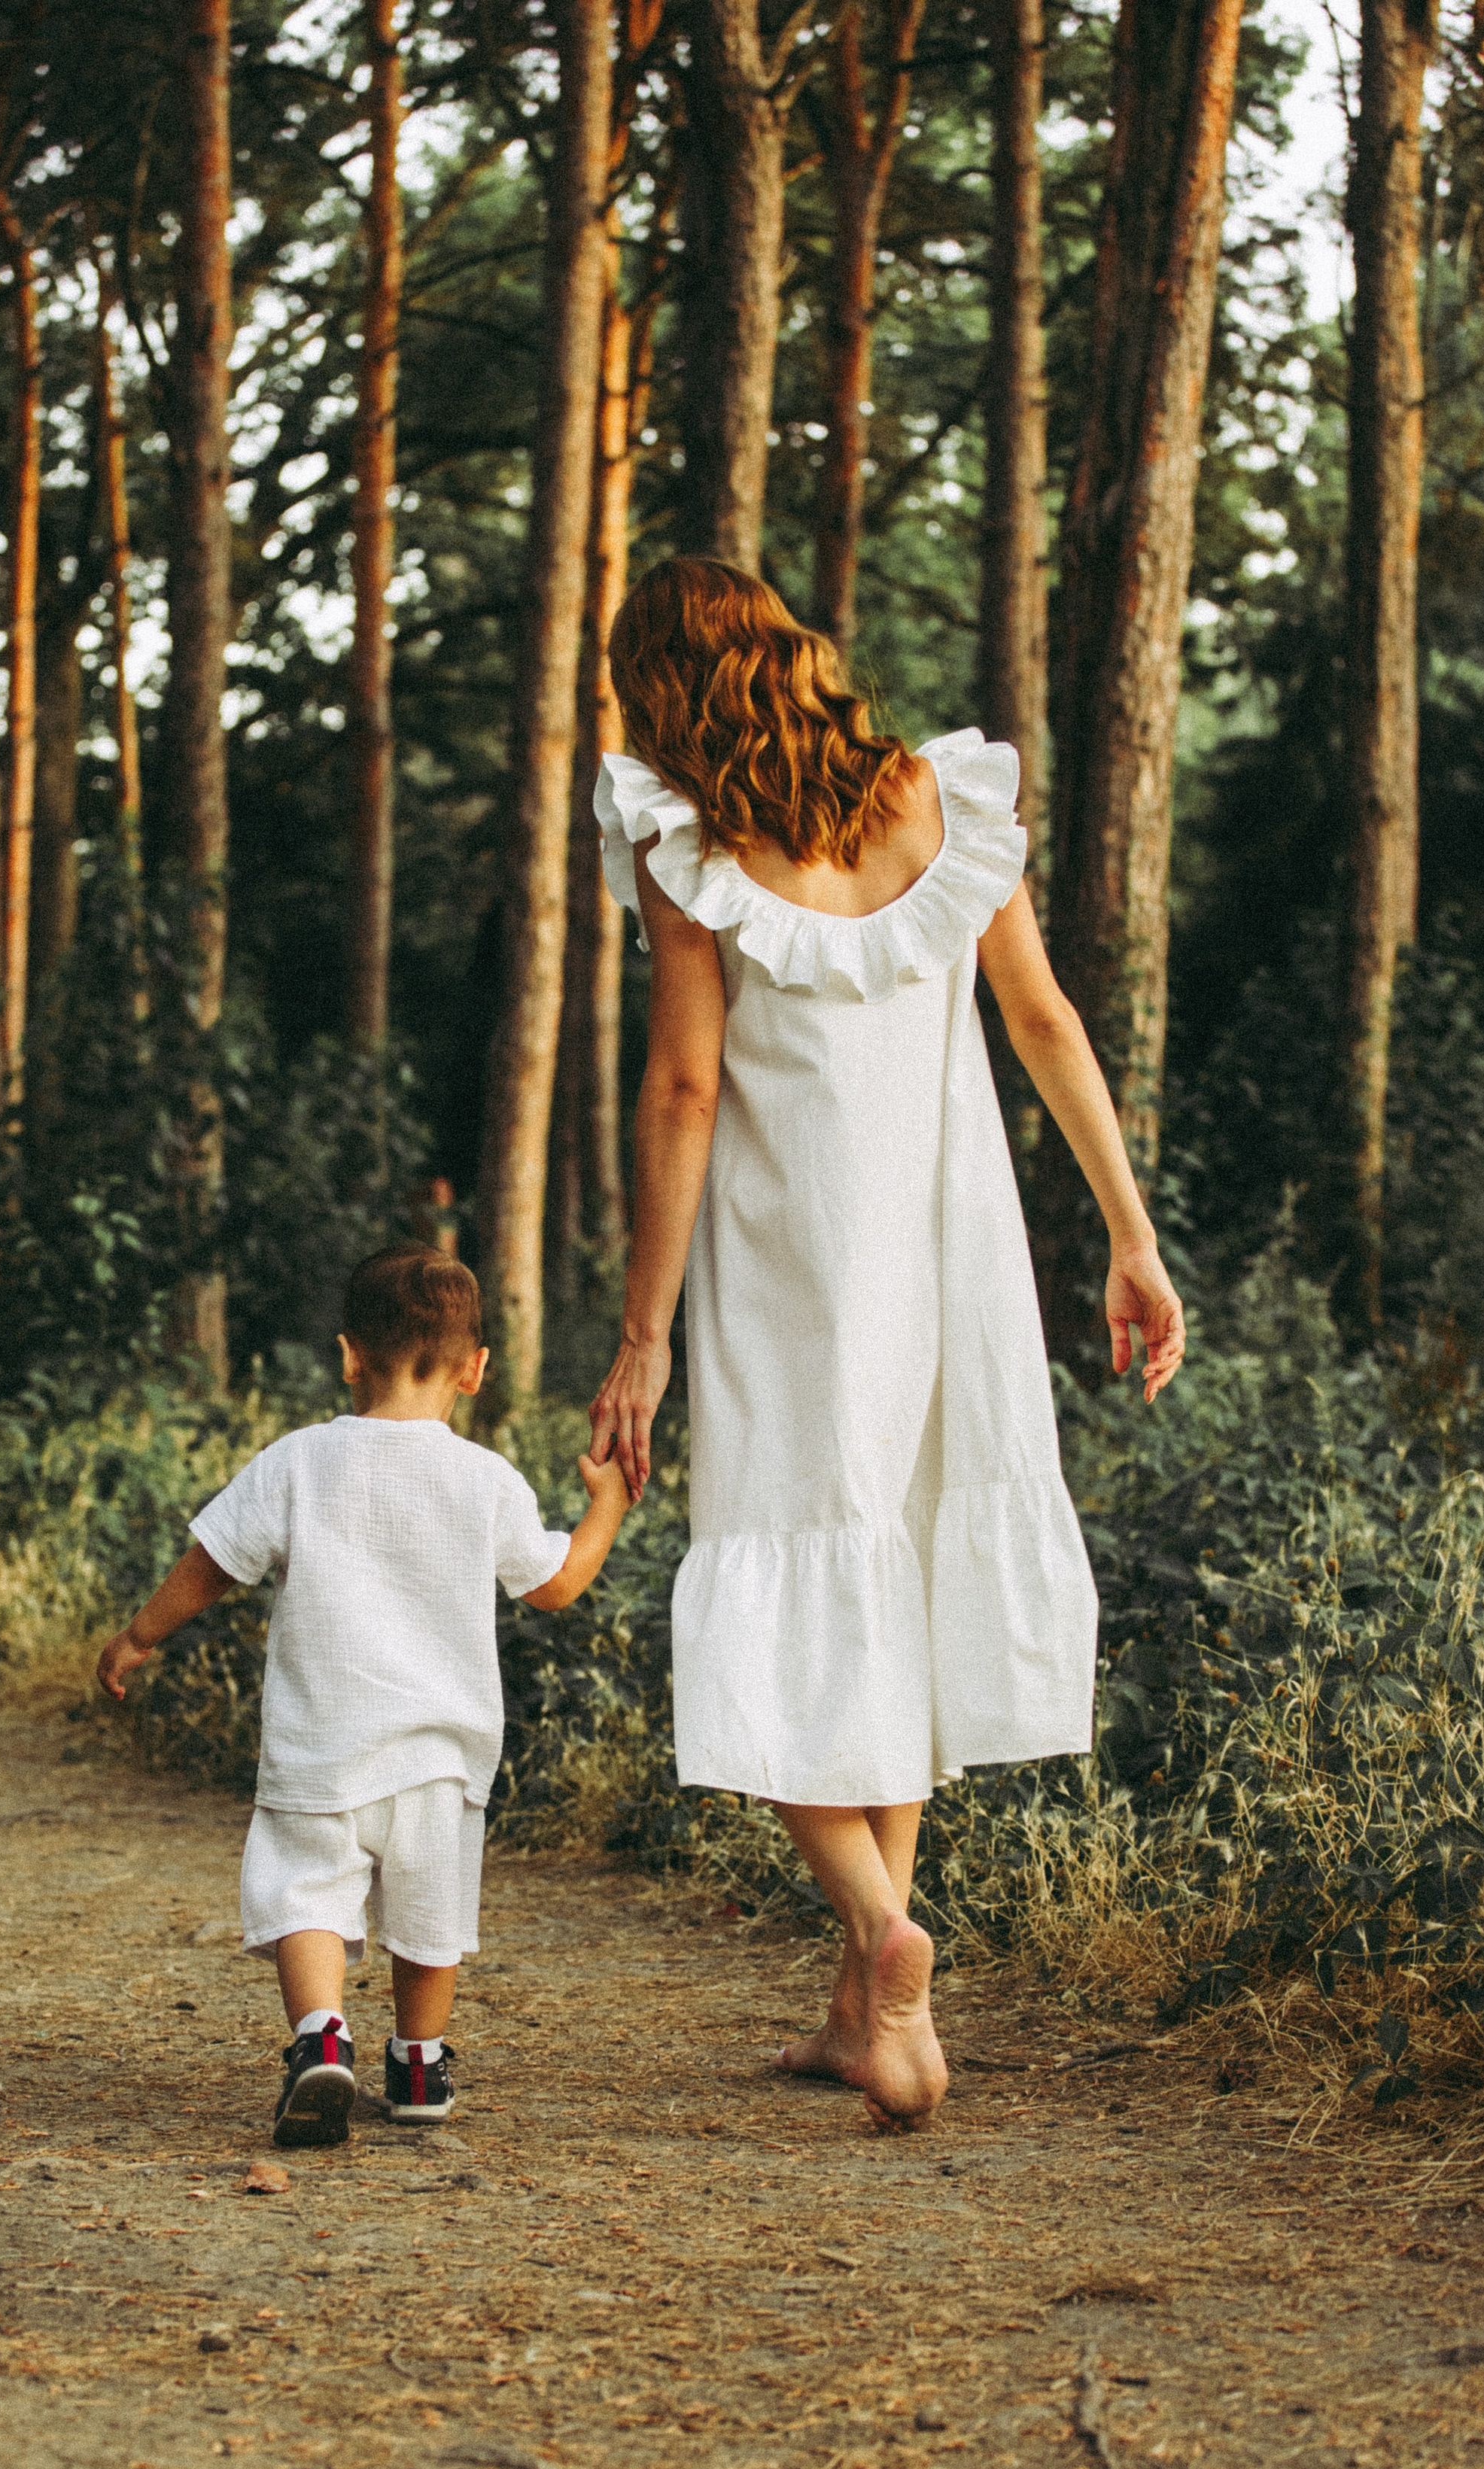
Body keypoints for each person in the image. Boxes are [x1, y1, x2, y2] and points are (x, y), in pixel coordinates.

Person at [588, 559, 1185, 2131]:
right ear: (789, 654)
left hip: (792, 1257)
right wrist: (1128, 1233)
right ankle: (870, 2019)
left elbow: (682, 1093)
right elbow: (1043, 1019)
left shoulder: (681, 842)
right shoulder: (933, 800)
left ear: (658, 691)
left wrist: (640, 1335)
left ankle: (877, 1927)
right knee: (889, 1577)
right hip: (944, 1248)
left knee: (785, 1568)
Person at [96, 1242, 633, 2150]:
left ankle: (320, 2040)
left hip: (321, 1744)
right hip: (441, 1758)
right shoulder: (485, 1480)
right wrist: (607, 1505)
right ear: (475, 1370)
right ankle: (419, 2063)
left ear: (348, 1356)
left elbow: (212, 1562)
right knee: (429, 1916)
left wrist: (141, 1634)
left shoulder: (298, 1462)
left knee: (306, 1891)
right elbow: (556, 1585)